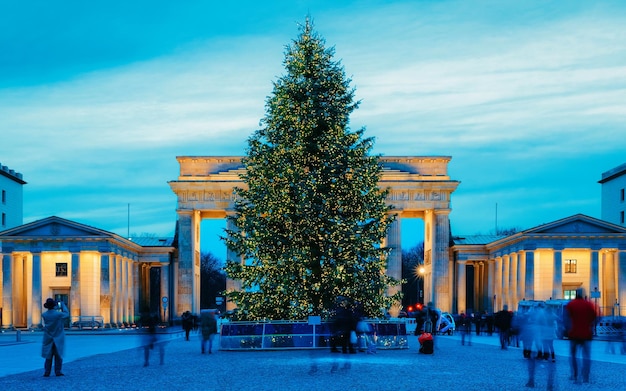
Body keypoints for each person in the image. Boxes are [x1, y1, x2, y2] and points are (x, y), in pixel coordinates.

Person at [565, 288, 597, 384]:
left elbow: (566, 319)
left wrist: (568, 330)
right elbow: (596, 317)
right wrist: (590, 326)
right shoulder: (589, 304)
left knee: (573, 356)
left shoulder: (570, 304)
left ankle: (575, 375)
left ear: (575, 294)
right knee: (586, 356)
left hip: (574, 334)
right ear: (583, 294)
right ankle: (586, 377)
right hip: (586, 334)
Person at [41, 298, 70, 377]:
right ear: (54, 305)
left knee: (48, 356)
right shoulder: (58, 314)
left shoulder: (44, 315)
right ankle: (58, 371)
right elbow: (66, 314)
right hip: (58, 336)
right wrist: (63, 305)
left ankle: (47, 372)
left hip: (48, 337)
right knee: (58, 355)